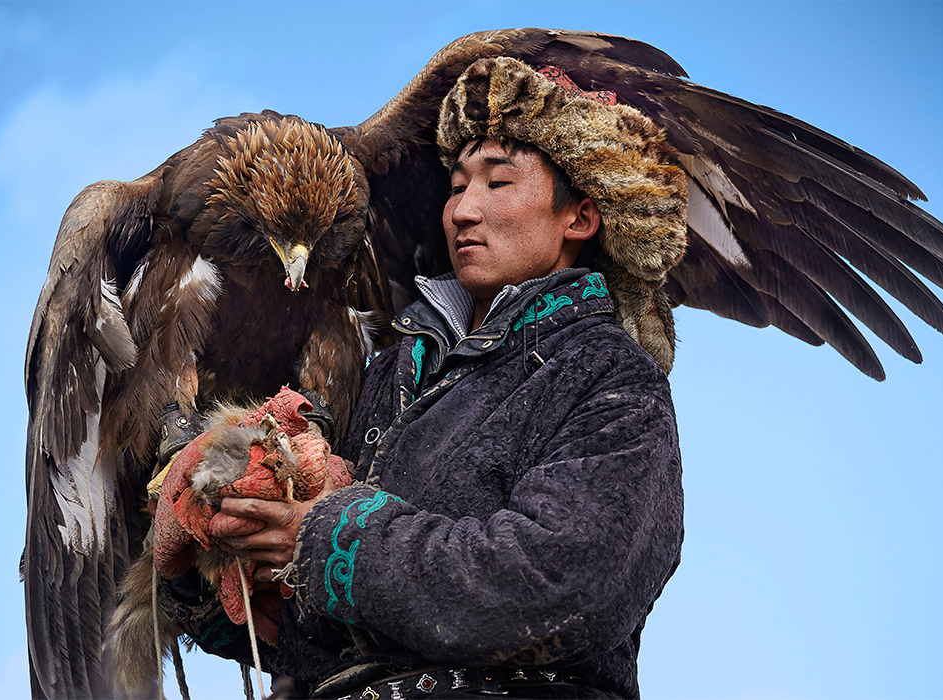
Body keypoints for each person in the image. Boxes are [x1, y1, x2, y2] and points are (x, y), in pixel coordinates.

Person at [158, 57, 686, 700]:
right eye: (457, 185)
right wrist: (211, 552)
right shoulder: (389, 376)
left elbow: (565, 583)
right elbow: (309, 629)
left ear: (579, 217)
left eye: (497, 184)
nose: (463, 210)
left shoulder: (608, 379)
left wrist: (330, 535)